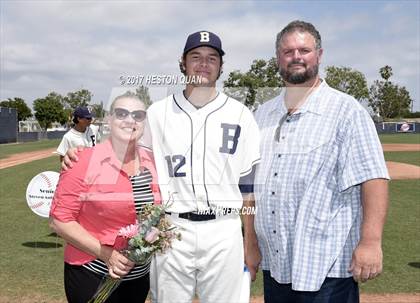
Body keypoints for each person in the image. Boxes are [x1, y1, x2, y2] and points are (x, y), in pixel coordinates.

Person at [248, 20, 390, 303]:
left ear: (319, 55)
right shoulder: (261, 114)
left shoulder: (345, 110)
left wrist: (371, 242)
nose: (296, 57)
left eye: (304, 50)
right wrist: (250, 245)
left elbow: (373, 177)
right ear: (278, 58)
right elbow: (250, 187)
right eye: (288, 51)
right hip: (276, 264)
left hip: (327, 267)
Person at [144, 30, 261, 302]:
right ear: (183, 63)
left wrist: (250, 243)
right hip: (171, 229)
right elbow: (132, 166)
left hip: (224, 230)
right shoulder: (157, 113)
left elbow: (248, 187)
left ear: (220, 67)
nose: (203, 64)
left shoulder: (241, 114)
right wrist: (78, 153)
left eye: (212, 58)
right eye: (195, 56)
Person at [50, 94, 160, 303]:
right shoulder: (82, 160)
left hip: (138, 277)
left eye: (138, 115)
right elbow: (59, 220)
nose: (130, 120)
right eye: (121, 114)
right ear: (109, 120)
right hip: (92, 274)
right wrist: (107, 255)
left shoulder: (153, 162)